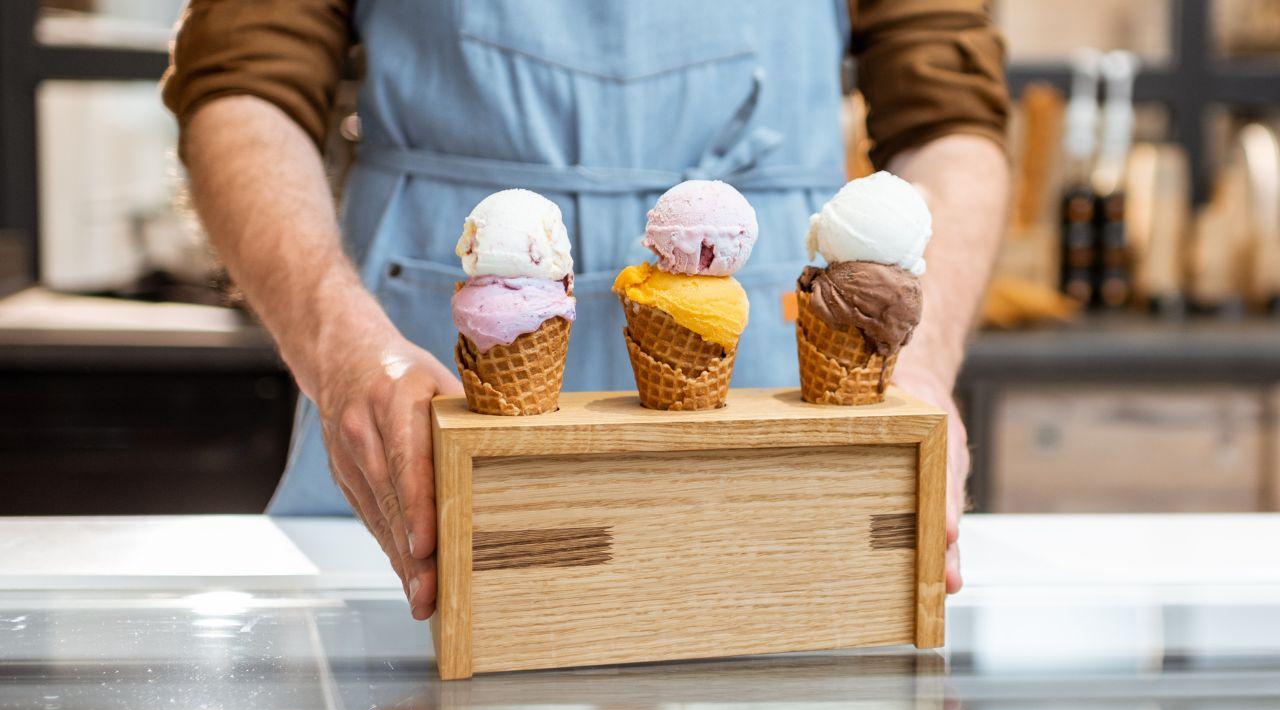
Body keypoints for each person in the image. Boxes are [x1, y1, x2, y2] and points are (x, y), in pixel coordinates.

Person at [163, 0, 1010, 621]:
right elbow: (243, 77)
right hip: (416, 374)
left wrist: (916, 365)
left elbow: (950, 114)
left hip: (767, 384)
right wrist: (342, 346)